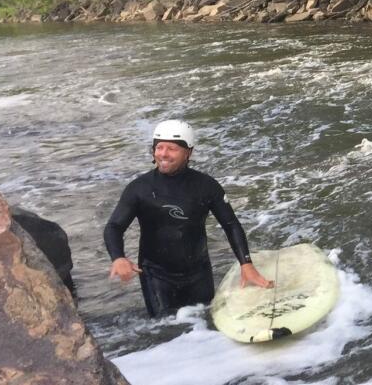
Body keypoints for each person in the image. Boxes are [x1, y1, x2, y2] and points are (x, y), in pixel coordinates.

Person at [104, 120, 271, 316]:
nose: (163, 154)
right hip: (156, 275)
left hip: (199, 272)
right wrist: (118, 258)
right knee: (165, 330)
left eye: (172, 149)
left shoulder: (206, 186)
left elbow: (231, 224)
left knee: (205, 324)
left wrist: (246, 264)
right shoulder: (139, 189)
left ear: (188, 152)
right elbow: (114, 226)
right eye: (159, 147)